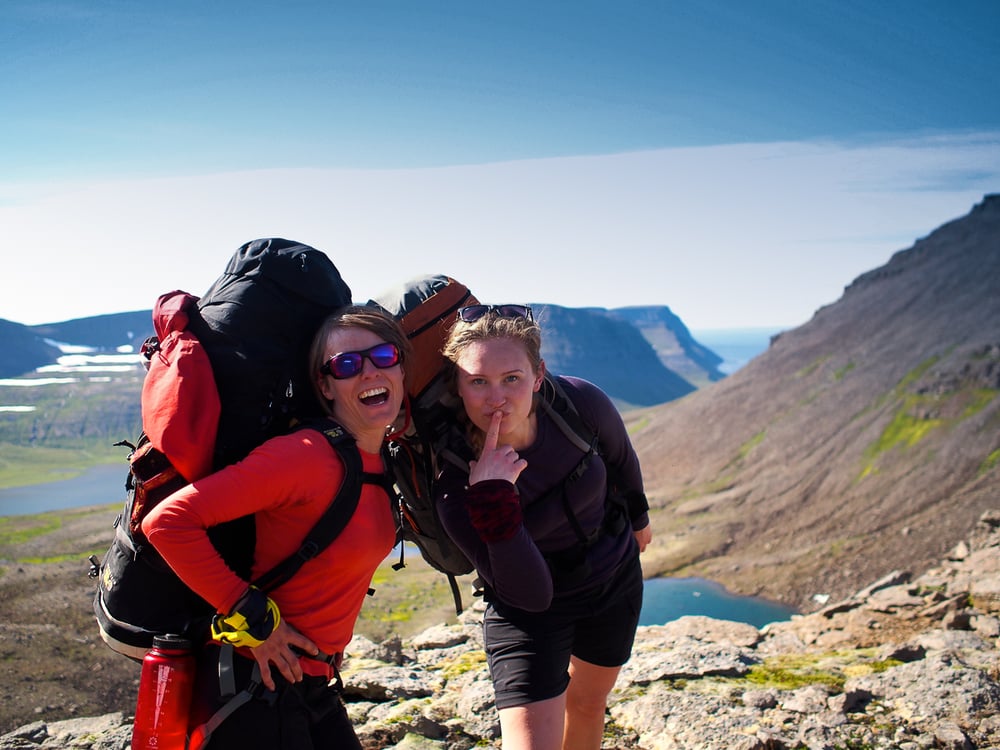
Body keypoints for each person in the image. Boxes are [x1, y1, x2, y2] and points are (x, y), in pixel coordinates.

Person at [141, 305, 410, 750]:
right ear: (324, 385)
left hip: (312, 685)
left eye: (383, 356)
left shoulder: (385, 460)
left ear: (401, 365)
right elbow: (167, 523)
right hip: (254, 684)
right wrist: (254, 619)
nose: (368, 372)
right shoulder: (303, 455)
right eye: (346, 365)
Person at [435, 303, 653, 750]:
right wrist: (493, 499)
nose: (496, 397)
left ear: (538, 376)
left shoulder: (580, 403)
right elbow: (530, 595)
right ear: (458, 387)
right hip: (529, 609)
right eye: (478, 381)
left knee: (589, 707)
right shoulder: (454, 481)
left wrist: (639, 519)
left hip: (612, 579)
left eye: (511, 378)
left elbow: (620, 459)